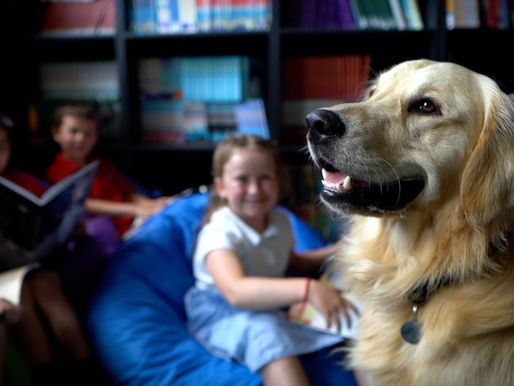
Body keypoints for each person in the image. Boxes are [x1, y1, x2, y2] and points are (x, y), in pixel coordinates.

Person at [184, 134, 358, 386]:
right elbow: (235, 291)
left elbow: (289, 264)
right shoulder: (219, 232)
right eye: (242, 179)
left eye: (264, 178)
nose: (254, 189)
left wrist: (336, 251)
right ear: (221, 186)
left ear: (279, 182)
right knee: (267, 334)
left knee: (352, 318)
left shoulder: (280, 221)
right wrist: (307, 289)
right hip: (226, 313)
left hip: (273, 306)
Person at [0, 115, 94, 385]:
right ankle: (45, 372)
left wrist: (68, 226)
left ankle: (86, 366)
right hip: (6, 273)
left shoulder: (24, 183)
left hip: (36, 261)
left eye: (1, 147)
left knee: (46, 284)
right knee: (22, 291)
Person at [46, 102, 172, 240]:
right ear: (56, 133)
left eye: (88, 133)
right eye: (73, 131)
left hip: (140, 219)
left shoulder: (102, 164)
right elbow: (83, 204)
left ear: (96, 136)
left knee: (185, 208)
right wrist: (135, 209)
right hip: (122, 231)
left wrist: (151, 204)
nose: (80, 139)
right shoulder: (58, 171)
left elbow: (128, 191)